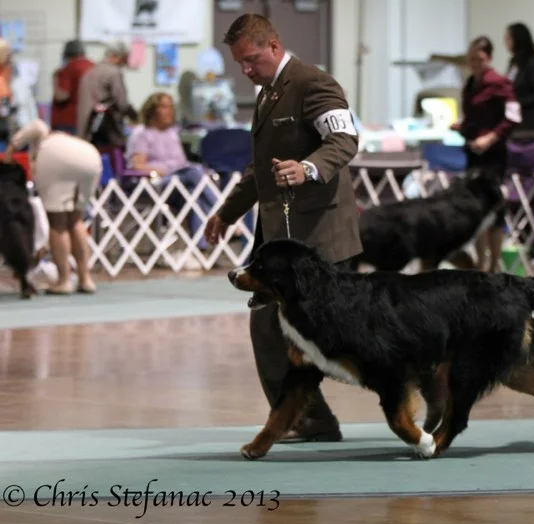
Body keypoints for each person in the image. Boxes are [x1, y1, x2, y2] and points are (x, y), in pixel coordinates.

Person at [204, 14, 362, 441]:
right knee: (269, 327)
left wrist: (309, 168)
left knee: (355, 338)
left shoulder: (313, 84)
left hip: (322, 239)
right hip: (284, 244)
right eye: (240, 63)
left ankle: (427, 390)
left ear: (273, 46)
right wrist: (227, 212)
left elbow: (345, 141)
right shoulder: (268, 93)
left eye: (251, 60)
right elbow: (261, 171)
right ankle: (308, 418)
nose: (246, 70)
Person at [3, 119, 101, 294]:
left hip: (57, 157)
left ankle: (64, 280)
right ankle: (85, 278)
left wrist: (10, 151)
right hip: (90, 156)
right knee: (75, 219)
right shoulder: (62, 137)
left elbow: (36, 125)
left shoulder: (44, 139)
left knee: (58, 222)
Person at [453, 36, 520, 272]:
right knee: (475, 208)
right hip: (473, 153)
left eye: (479, 59)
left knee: (494, 209)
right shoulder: (471, 83)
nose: (474, 63)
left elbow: (513, 117)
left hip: (494, 156)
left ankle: (494, 264)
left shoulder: (500, 83)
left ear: (489, 58)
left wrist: (490, 137)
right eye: (471, 59)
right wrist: (462, 127)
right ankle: (480, 263)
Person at [129, 92, 218, 257]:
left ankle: (200, 248)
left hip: (179, 183)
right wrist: (165, 170)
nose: (168, 111)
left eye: (170, 106)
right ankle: (223, 211)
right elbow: (137, 165)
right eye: (163, 107)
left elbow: (181, 163)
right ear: (152, 110)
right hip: (155, 183)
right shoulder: (142, 133)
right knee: (193, 172)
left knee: (194, 193)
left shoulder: (172, 133)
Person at [77, 41, 138, 154]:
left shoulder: (90, 72)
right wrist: (137, 117)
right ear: (117, 56)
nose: (124, 63)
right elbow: (122, 103)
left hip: (87, 130)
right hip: (107, 132)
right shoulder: (113, 73)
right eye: (124, 59)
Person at [51, 40, 95, 134]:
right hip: (90, 118)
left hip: (69, 120)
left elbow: (62, 96)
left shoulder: (69, 68)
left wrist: (55, 80)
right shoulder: (93, 66)